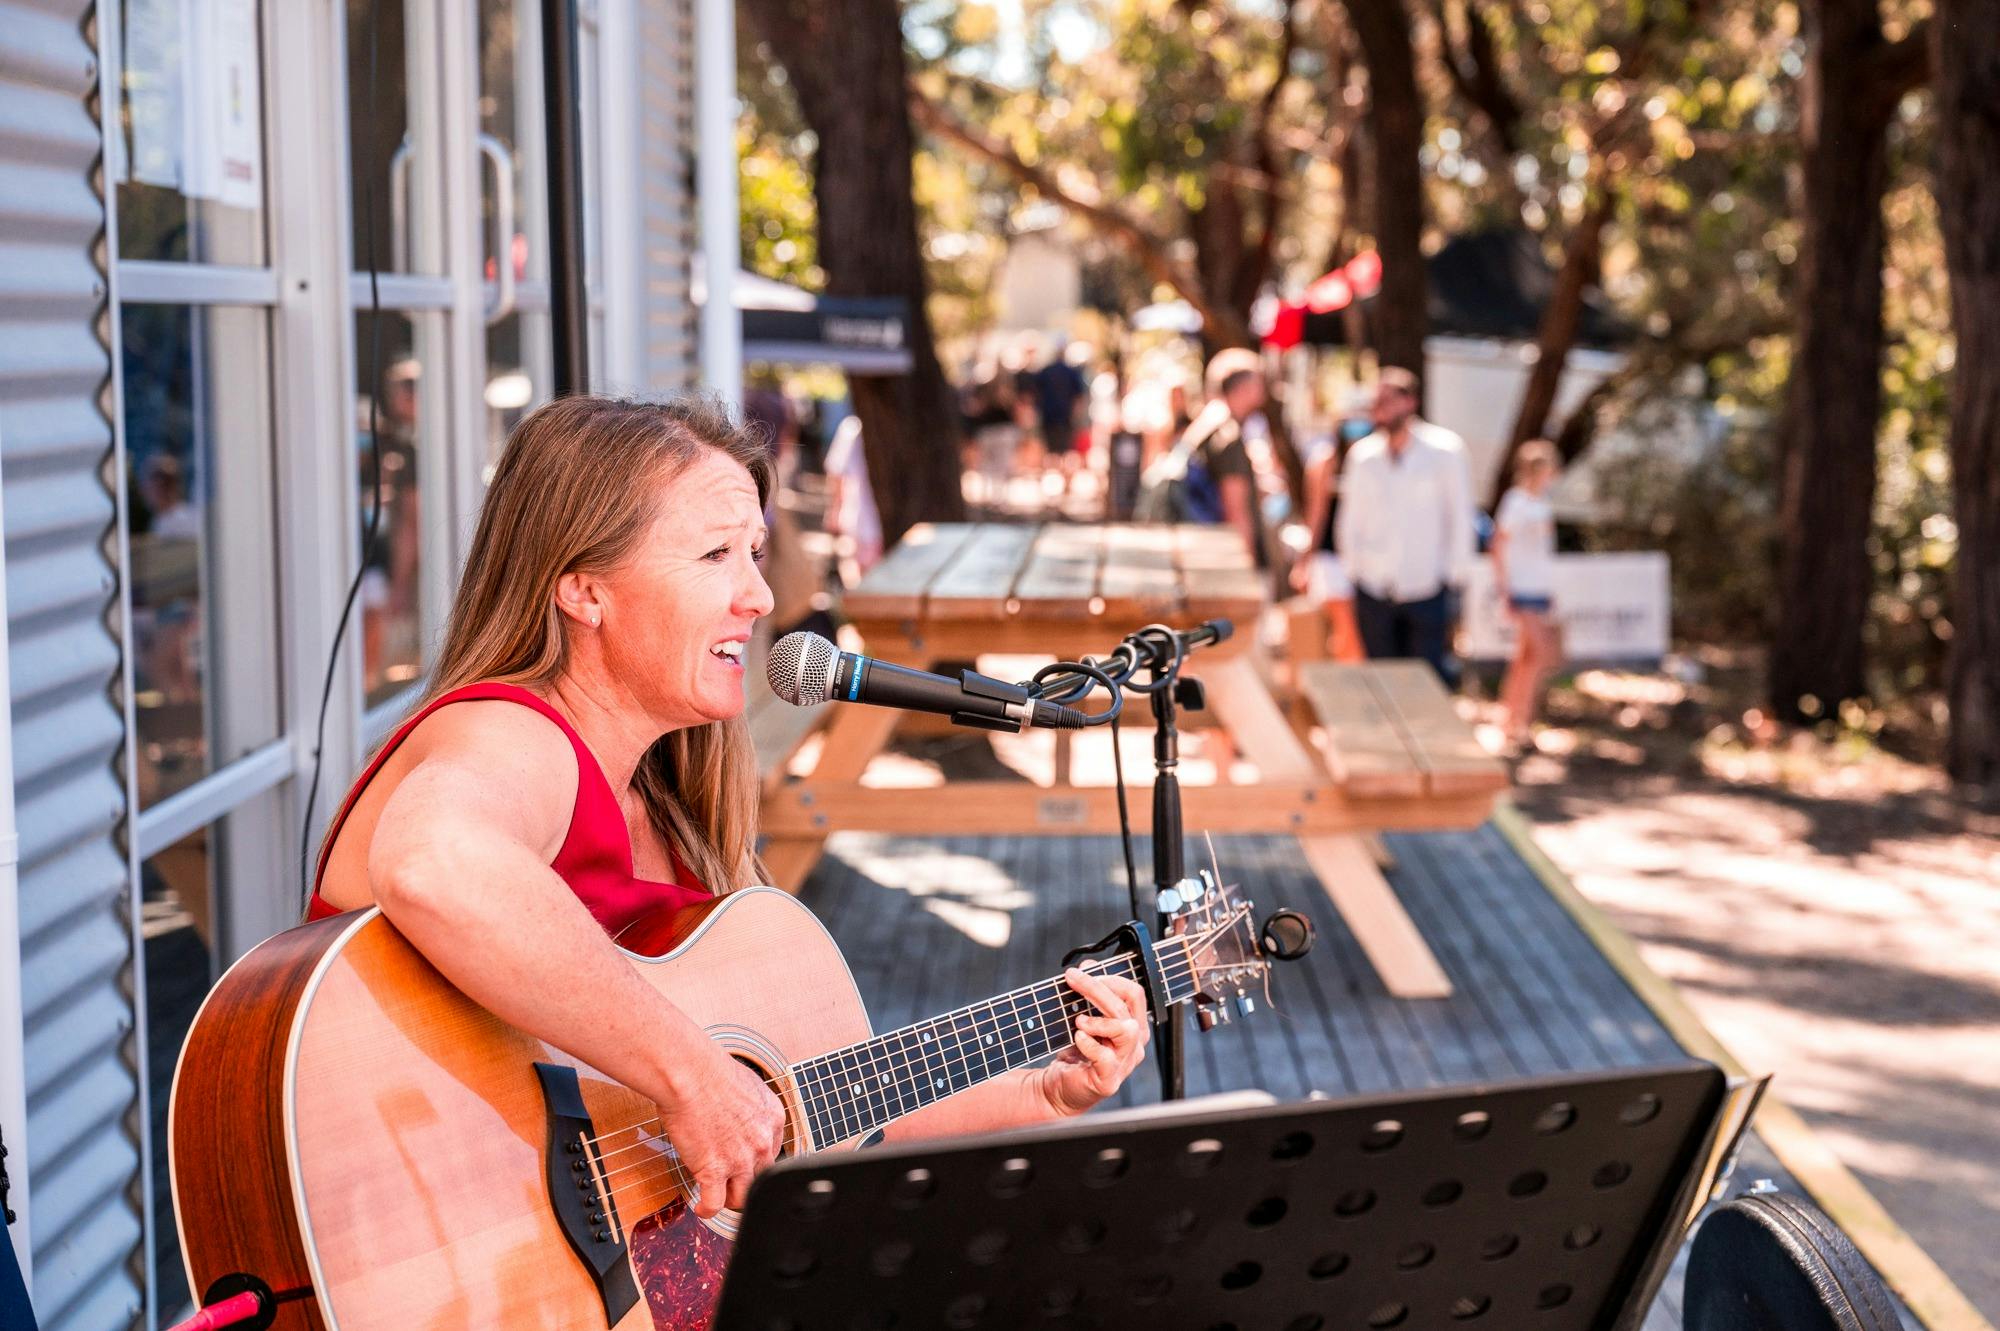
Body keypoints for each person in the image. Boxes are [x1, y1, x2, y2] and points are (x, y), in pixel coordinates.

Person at [305, 395, 1150, 1226]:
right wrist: (692, 1074)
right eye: (715, 555)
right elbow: (434, 863)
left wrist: (1047, 1087)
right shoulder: (511, 731)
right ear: (582, 589)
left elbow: (796, 1114)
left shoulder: (670, 805)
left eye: (754, 552)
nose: (756, 596)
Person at [1336, 367, 1476, 681]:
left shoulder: (1444, 452)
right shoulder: (1363, 455)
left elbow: (1459, 516)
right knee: (1383, 677)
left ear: (1410, 402)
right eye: (1376, 401)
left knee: (1425, 680)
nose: (1379, 408)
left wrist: (1453, 574)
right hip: (1374, 585)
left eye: (1387, 399)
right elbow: (1350, 519)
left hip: (1426, 584)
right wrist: (1355, 570)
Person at [1492, 439, 1563, 750]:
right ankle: (1517, 722)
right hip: (1521, 590)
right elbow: (1498, 545)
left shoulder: (1541, 504)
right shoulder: (1517, 502)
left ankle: (1514, 722)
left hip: (1538, 589)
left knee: (1526, 659)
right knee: (1543, 653)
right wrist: (1505, 589)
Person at [1167, 348, 1264, 557]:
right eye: (1259, 384)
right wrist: (1247, 565)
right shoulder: (1227, 435)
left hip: (1197, 543)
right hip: (1218, 551)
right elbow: (1236, 510)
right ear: (1244, 388)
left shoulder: (1207, 421)